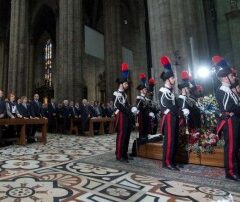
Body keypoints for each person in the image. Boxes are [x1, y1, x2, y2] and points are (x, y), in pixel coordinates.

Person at [213, 55, 240, 181]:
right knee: (231, 147)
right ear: (225, 77)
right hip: (229, 121)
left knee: (236, 146)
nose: (233, 77)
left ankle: (236, 169)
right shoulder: (222, 90)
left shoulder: (229, 90)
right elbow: (228, 106)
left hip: (235, 120)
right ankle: (230, 171)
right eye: (231, 75)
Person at [158, 56, 179, 171]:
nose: (174, 80)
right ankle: (166, 162)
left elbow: (174, 105)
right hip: (169, 118)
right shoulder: (163, 91)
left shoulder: (171, 92)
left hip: (174, 117)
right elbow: (166, 106)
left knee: (174, 139)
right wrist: (177, 111)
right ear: (167, 79)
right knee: (169, 140)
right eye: (172, 78)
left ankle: (172, 160)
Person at [114, 63, 133, 162]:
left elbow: (126, 105)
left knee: (126, 135)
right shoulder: (116, 93)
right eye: (126, 83)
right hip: (121, 116)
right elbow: (117, 104)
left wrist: (131, 109)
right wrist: (127, 110)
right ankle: (119, 154)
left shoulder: (124, 95)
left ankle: (124, 153)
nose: (127, 85)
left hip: (126, 116)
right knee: (121, 135)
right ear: (121, 84)